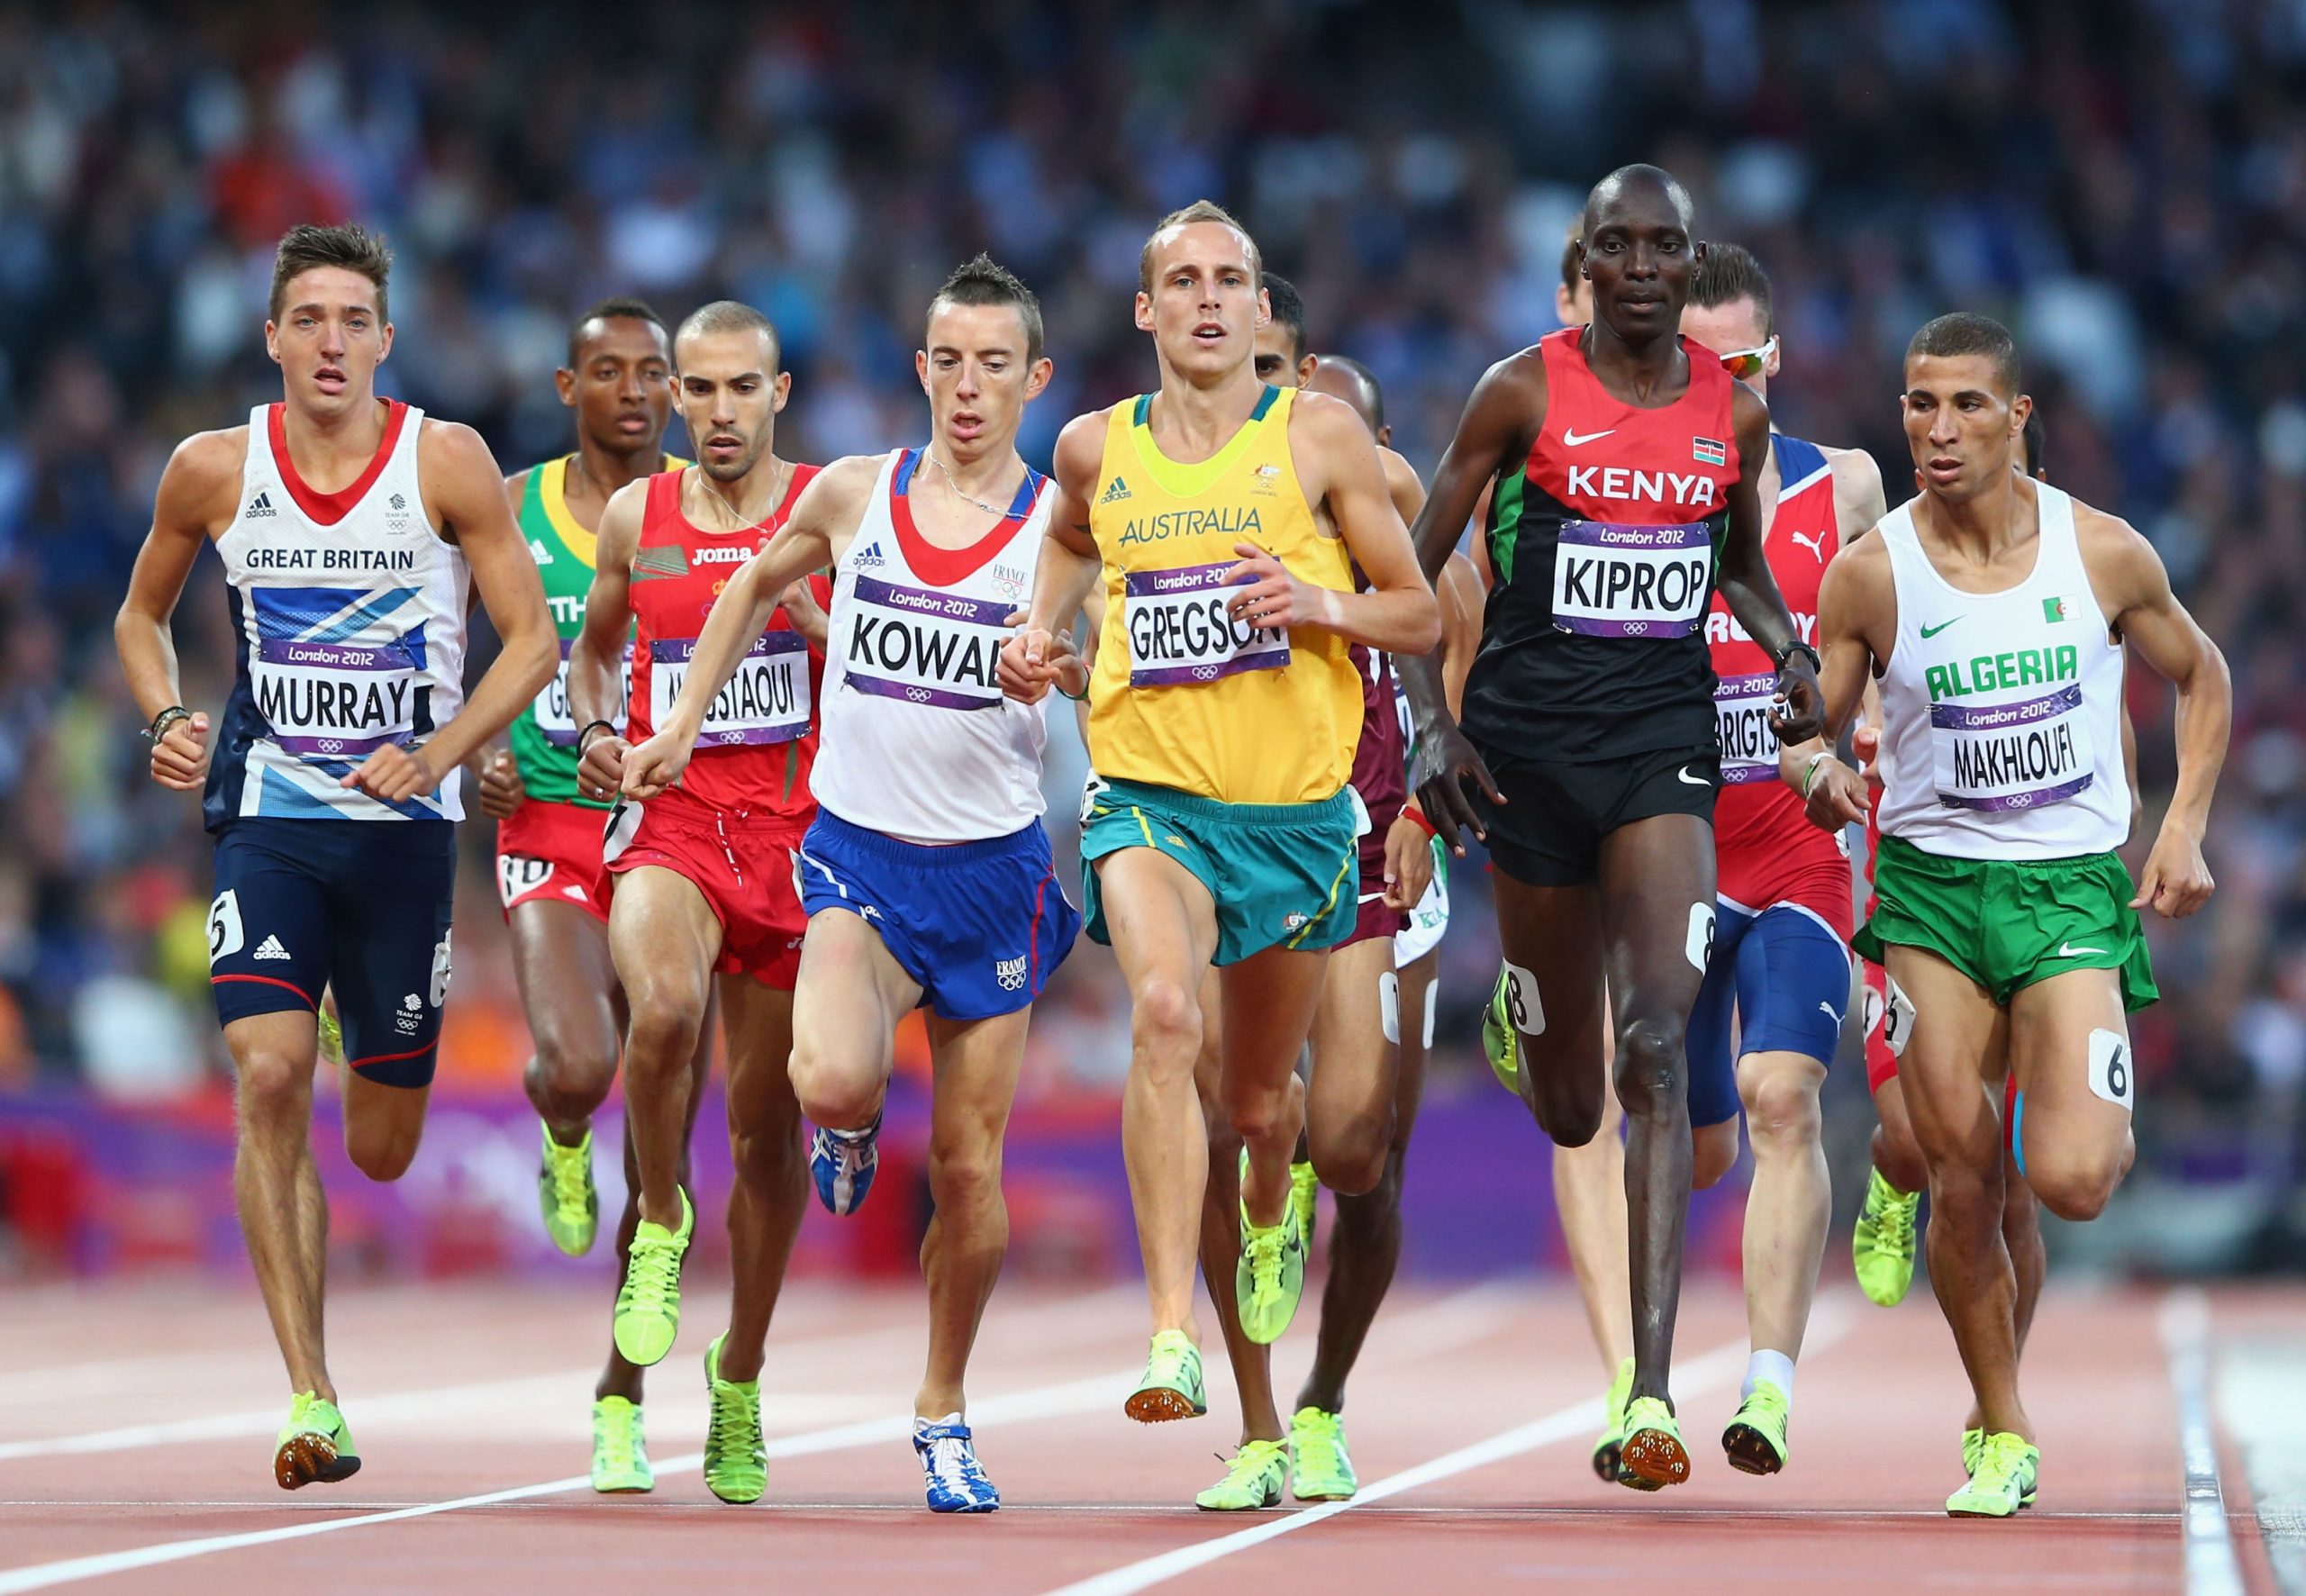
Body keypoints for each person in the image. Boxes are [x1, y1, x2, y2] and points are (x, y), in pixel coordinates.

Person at [622, 256, 1080, 1513]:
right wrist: (681, 726)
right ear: (920, 368)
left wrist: (1066, 668)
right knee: (823, 1075)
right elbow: (747, 588)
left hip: (994, 874)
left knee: (973, 1174)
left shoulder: (1057, 525)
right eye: (951, 360)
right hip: (860, 858)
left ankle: (942, 1409)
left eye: (998, 364)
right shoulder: (853, 491)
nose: (971, 386)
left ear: (1034, 380)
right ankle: (856, 1115)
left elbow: (1105, 667)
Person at [115, 222, 556, 1487]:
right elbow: (141, 613)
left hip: (404, 838)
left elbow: (524, 641)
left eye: (353, 320)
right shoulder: (213, 468)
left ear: (386, 340)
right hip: (270, 821)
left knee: (379, 1145)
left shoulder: (447, 462)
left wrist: (439, 751)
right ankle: (311, 1395)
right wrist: (168, 716)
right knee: (265, 1081)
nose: (330, 342)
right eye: (307, 318)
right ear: (271, 339)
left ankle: (323, 1358)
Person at [1406, 166, 1822, 1489]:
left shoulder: (1731, 414)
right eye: (1618, 246)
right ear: (1583, 262)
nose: (1643, 268)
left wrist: (1784, 647)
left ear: (1687, 266)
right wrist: (1435, 727)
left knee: (1653, 1050)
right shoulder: (1518, 391)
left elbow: (1738, 564)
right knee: (1573, 1095)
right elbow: (1410, 570)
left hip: (1663, 755)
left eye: (1665, 248)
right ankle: (1527, 1023)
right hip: (1527, 764)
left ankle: (1644, 1396)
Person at [998, 202, 1438, 1438]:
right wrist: (1044, 628)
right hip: (1147, 798)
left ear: (1258, 311)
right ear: (1145, 310)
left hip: (1296, 822)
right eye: (1180, 281)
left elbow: (1420, 618)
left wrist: (1315, 603)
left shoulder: (1322, 439)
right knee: (1165, 1013)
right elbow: (1071, 545)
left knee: (1258, 1107)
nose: (1204, 299)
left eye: (1226, 280)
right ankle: (1171, 1336)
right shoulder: (1095, 447)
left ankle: (1263, 1195)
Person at [1793, 313, 2228, 1516]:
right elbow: (1806, 731)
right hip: (1933, 893)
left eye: (1967, 406)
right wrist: (1817, 770)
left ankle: (2057, 1127)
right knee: (1966, 1178)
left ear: (2017, 415)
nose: (1940, 430)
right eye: (1920, 405)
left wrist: (2184, 822)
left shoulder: (2102, 553)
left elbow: (2204, 677)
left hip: (2072, 889)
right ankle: (1999, 1422)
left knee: (2070, 1180)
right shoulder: (1872, 570)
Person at [1186, 289, 1441, 1511]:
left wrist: (1426, 807)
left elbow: (1450, 640)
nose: (1266, 389)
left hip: (1362, 824)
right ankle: (1256, 1420)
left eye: (1282, 367)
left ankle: (1325, 1392)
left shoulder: (1354, 466)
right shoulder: (1172, 476)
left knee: (1355, 1142)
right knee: (1224, 1111)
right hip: (1221, 818)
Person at [568, 300, 826, 1506]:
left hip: (794, 836)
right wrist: (593, 725)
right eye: (700, 391)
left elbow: (890, 660)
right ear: (675, 400)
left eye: (744, 390)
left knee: (768, 1139)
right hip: (671, 822)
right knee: (661, 1013)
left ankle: (741, 1378)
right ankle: (659, 1222)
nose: (721, 414)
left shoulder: (832, 512)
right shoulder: (637, 516)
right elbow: (591, 648)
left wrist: (825, 619)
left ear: (782, 394)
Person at [474, 297, 714, 1492]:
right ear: (567, 389)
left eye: (651, 373)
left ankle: (619, 1398)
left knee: (662, 1133)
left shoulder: (698, 512)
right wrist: (475, 744)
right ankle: (562, 1130)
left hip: (674, 827)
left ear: (674, 391)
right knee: (580, 1067)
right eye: (605, 372)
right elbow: (445, 645)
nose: (631, 390)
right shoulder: (510, 510)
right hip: (552, 817)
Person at [1674, 243, 1885, 1475]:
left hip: (1802, 853)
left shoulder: (1844, 487)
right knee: (1699, 1147)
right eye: (1694, 362)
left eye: (1739, 362)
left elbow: (1904, 638)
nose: (1721, 383)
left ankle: (1766, 1387)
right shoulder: (1636, 504)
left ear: (1775, 359)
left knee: (1782, 1099)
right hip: (1676, 858)